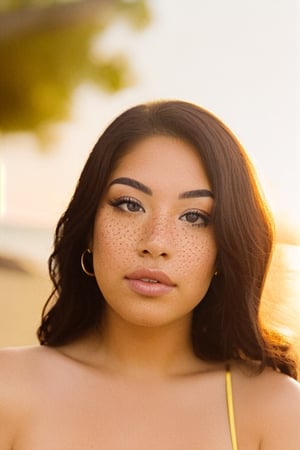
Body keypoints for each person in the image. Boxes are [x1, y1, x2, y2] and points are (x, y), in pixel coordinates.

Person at [0, 100, 299, 449]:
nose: (156, 242)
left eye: (194, 217)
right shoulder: (9, 386)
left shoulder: (276, 411)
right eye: (129, 204)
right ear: (89, 228)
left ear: (224, 248)